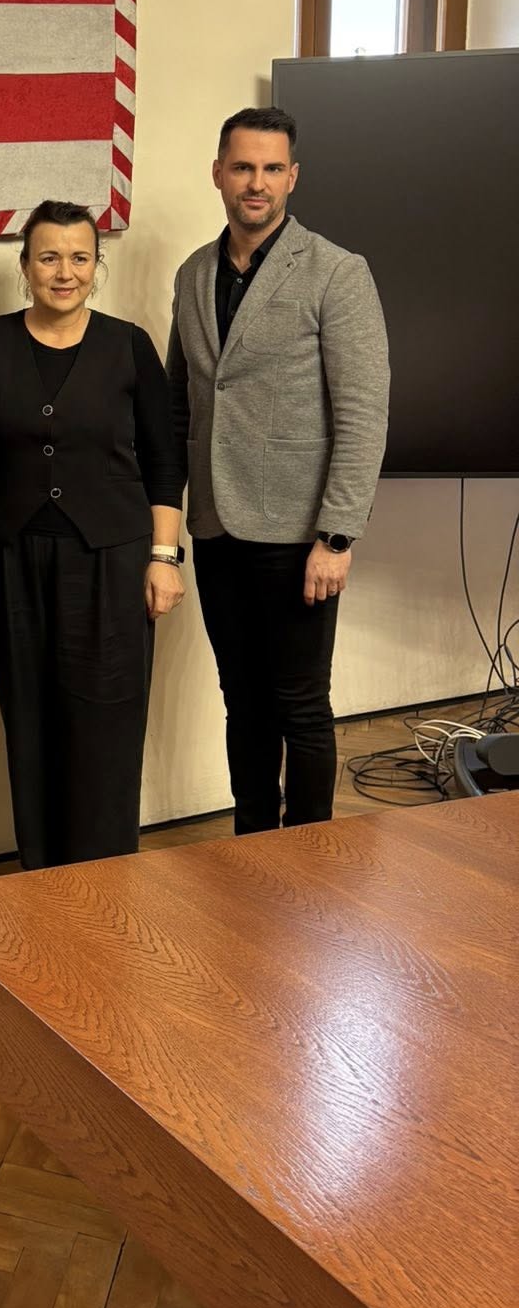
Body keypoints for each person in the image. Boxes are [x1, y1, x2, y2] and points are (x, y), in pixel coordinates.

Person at [0, 200, 185, 870]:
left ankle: (106, 873)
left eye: (80, 257)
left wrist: (164, 557)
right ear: (25, 265)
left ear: (96, 266)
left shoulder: (128, 345)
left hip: (112, 560)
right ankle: (42, 877)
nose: (64, 272)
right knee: (29, 718)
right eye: (48, 257)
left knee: (106, 718)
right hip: (9, 558)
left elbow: (165, 460)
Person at [168, 105, 389, 833]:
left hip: (300, 536)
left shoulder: (337, 272)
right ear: (218, 174)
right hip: (216, 528)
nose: (255, 183)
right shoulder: (193, 274)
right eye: (242, 167)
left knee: (300, 704)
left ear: (292, 177)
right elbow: (179, 402)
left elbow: (363, 414)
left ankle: (311, 854)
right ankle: (253, 846)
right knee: (243, 701)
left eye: (270, 169)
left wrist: (337, 536)